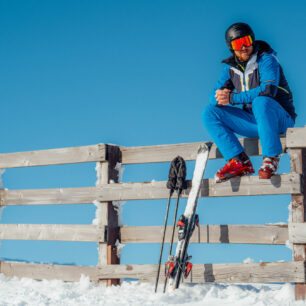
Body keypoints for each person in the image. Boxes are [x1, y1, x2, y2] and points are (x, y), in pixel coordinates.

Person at [202, 22, 296, 183]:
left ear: (252, 39)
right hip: (254, 122)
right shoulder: (230, 69)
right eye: (238, 43)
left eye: (247, 40)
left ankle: (271, 157)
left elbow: (268, 90)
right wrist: (221, 95)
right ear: (231, 48)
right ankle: (239, 161)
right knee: (210, 113)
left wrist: (232, 98)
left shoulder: (267, 59)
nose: (244, 47)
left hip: (279, 119)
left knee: (261, 101)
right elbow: (213, 98)